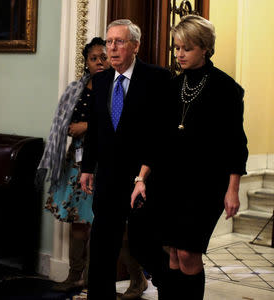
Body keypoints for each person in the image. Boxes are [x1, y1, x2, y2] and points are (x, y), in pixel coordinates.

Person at [131, 15, 248, 299]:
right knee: (171, 253)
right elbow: (157, 140)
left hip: (206, 184)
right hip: (168, 180)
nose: (179, 54)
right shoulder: (172, 86)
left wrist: (233, 190)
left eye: (187, 48)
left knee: (187, 252)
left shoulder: (226, 89)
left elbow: (236, 143)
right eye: (176, 48)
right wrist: (141, 178)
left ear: (205, 48)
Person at [80, 19, 171, 300]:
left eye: (119, 42)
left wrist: (144, 175)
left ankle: (173, 291)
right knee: (102, 246)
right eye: (109, 42)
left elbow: (161, 132)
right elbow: (94, 127)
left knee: (146, 245)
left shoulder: (157, 78)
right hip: (107, 177)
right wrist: (87, 168)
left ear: (135, 46)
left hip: (143, 178)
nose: (112, 48)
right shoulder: (102, 79)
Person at [37, 37, 109, 291]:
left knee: (107, 221)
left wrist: (85, 127)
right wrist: (70, 129)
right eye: (94, 58)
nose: (99, 62)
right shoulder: (75, 89)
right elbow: (62, 120)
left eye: (104, 57)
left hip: (105, 161)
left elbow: (118, 122)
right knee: (77, 219)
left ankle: (116, 277)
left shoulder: (117, 87)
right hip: (76, 160)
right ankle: (74, 276)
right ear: (86, 63)